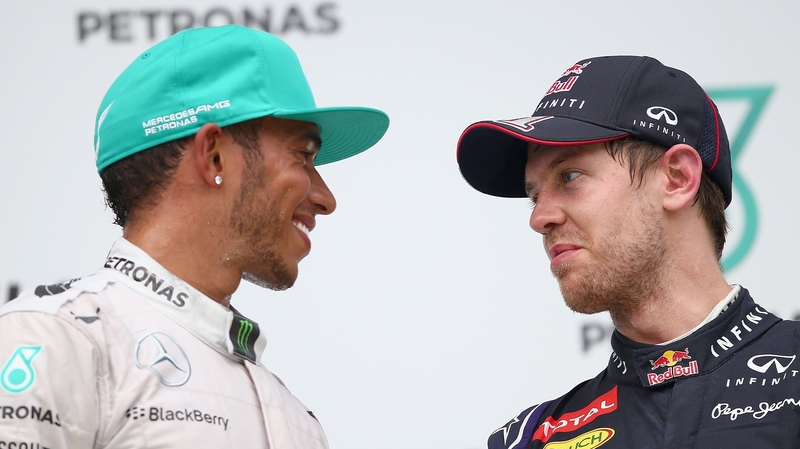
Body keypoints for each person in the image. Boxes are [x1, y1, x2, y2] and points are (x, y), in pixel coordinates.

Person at [0, 25, 388, 449]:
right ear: (214, 155)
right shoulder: (53, 339)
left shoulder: (296, 419)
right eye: (304, 156)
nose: (326, 199)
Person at [456, 56, 799, 448]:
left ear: (677, 179)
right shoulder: (531, 437)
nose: (540, 217)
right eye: (534, 195)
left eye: (569, 176)